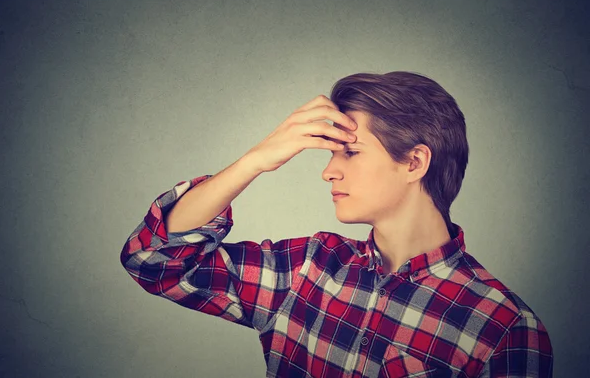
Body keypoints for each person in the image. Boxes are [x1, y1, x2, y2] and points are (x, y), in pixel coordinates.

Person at [120, 71, 553, 377]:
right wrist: (254, 161)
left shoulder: (503, 328)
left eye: (350, 152)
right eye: (330, 154)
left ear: (415, 162)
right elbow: (154, 261)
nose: (328, 171)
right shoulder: (306, 268)